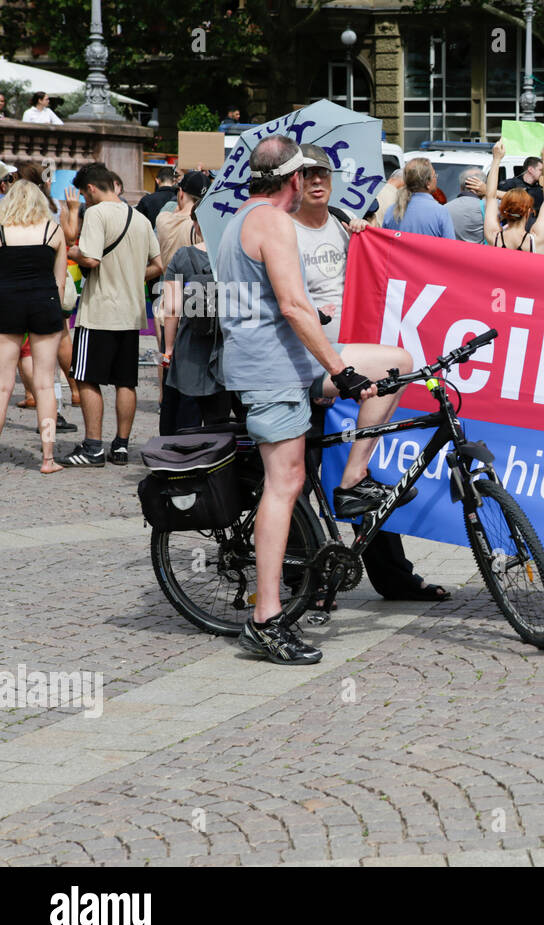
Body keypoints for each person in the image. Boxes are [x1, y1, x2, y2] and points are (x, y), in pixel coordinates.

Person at [216, 135, 415, 663]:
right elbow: (291, 305)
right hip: (271, 373)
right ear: (294, 178)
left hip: (284, 363)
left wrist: (325, 332)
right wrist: (341, 370)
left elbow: (277, 304)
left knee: (397, 361)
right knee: (285, 487)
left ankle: (353, 481)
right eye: (307, 174)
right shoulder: (273, 221)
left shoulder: (240, 219)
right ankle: (265, 618)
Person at [289, 143, 452, 604]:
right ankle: (304, 581)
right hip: (308, 364)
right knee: (299, 479)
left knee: (360, 481)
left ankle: (394, 577)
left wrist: (366, 230)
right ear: (293, 182)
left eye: (323, 173)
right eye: (307, 175)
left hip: (351, 363)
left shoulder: (342, 222)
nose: (317, 181)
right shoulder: (283, 231)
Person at [57, 164, 163, 467]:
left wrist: (72, 251)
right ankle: (121, 446)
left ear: (91, 188)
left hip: (101, 311)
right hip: (131, 313)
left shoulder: (97, 214)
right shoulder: (140, 219)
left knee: (88, 379)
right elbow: (159, 263)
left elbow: (90, 257)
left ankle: (92, 447)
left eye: (83, 194)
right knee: (125, 381)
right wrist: (133, 278)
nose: (84, 200)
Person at [0, 180, 69, 474]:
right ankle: (48, 458)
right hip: (44, 301)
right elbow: (61, 281)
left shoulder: (1, 231)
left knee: (2, 386)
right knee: (44, 384)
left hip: (7, 302)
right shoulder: (52, 230)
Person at [158, 210, 228, 433]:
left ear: (196, 225)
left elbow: (171, 309)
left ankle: (186, 464)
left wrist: (168, 349)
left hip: (189, 347)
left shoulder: (182, 257)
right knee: (220, 421)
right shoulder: (233, 257)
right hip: (225, 348)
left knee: (187, 419)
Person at [484, 140, 544, 254]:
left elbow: (491, 196)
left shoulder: (494, 237)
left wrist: (496, 159)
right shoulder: (535, 241)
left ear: (503, 210)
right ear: (528, 213)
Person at [382, 159, 455, 238]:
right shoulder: (440, 212)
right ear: (427, 183)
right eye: (434, 176)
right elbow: (450, 247)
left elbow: (385, 243)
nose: (436, 179)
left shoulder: (392, 210)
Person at [154, 171, 207, 272]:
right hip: (198, 286)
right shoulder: (203, 227)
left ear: (181, 193)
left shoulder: (163, 219)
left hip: (170, 285)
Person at [444, 168, 488, 243]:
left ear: (461, 187)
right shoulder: (488, 208)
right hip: (480, 253)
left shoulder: (445, 208)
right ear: (482, 187)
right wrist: (489, 192)